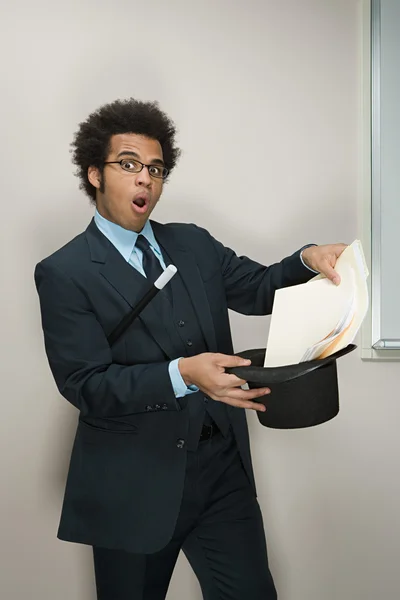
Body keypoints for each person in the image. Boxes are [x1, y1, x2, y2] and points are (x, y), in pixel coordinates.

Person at [35, 98, 346, 600]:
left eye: (156, 169)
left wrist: (307, 259)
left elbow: (260, 287)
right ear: (94, 173)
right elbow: (85, 385)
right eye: (129, 164)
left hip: (221, 470)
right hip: (133, 483)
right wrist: (182, 373)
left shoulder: (194, 244)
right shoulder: (64, 272)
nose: (145, 180)